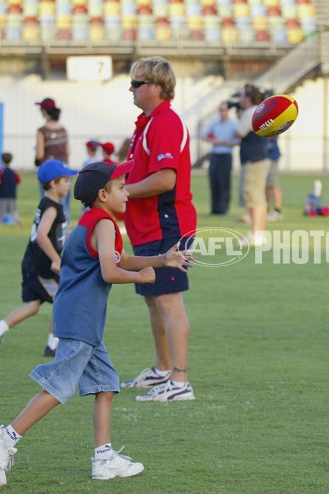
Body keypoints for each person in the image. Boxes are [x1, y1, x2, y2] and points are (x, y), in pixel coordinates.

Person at [0, 160, 193, 486]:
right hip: (79, 319)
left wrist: (162, 260)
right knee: (59, 386)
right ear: (103, 193)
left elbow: (119, 259)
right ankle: (5, 437)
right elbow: (111, 271)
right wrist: (143, 278)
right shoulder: (104, 224)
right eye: (122, 186)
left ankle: (104, 458)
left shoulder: (95, 220)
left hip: (84, 319)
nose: (127, 191)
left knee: (106, 384)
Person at [120, 56, 198, 402]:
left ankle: (180, 381)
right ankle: (163, 370)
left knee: (168, 301)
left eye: (137, 83)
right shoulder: (147, 123)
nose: (132, 89)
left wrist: (120, 192)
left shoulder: (165, 121)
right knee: (153, 299)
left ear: (156, 87)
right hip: (147, 224)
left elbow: (166, 179)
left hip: (168, 222)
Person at [0, 160, 78, 358]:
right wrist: (55, 259)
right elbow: (42, 235)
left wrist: (72, 236)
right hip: (42, 266)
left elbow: (54, 234)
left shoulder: (50, 204)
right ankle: (53, 346)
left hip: (33, 263)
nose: (69, 184)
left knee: (33, 306)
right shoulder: (52, 208)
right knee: (63, 299)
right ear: (53, 183)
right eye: (66, 180)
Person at [235, 83, 271, 246]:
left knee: (253, 196)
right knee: (259, 197)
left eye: (242, 96)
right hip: (261, 157)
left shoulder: (250, 112)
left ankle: (255, 234)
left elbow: (238, 132)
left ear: (248, 99)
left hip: (253, 159)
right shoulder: (259, 111)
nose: (240, 99)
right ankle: (259, 233)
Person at [35, 98, 72, 223]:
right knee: (64, 204)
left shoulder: (42, 130)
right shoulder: (63, 129)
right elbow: (68, 151)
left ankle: (50, 230)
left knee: (48, 202)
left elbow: (40, 154)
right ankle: (65, 229)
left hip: (48, 171)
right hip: (63, 169)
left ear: (45, 111)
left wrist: (36, 159)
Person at [202, 101, 239, 215]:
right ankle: (215, 209)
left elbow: (237, 141)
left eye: (224, 110)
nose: (222, 112)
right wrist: (213, 140)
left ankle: (224, 209)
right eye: (220, 110)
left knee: (224, 183)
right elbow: (204, 135)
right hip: (215, 155)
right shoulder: (215, 123)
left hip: (225, 155)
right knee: (214, 181)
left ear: (228, 111)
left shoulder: (233, 124)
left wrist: (222, 142)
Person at [0, 152, 22, 226]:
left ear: (2, 160)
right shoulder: (14, 172)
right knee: (13, 209)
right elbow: (18, 181)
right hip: (12, 193)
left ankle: (0, 223)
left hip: (2, 194)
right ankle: (17, 221)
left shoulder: (0, 171)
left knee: (1, 210)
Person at [266, 137, 283, 221]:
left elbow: (273, 135)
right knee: (266, 186)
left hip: (272, 156)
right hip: (263, 157)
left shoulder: (271, 124)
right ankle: (266, 211)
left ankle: (277, 211)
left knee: (273, 185)